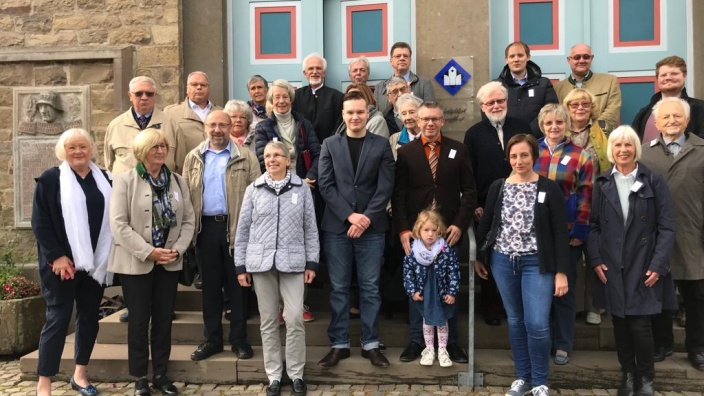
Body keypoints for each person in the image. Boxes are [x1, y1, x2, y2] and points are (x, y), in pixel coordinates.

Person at [475, 133, 569, 396]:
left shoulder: (548, 188)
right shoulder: (498, 187)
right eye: (514, 156)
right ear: (508, 158)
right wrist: (478, 258)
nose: (519, 160)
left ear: (534, 157)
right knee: (515, 321)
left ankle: (540, 381)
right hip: (503, 261)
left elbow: (560, 232)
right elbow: (486, 225)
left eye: (524, 155)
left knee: (537, 322)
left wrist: (561, 272)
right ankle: (523, 378)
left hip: (537, 264)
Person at [588, 126, 676, 396]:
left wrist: (658, 265)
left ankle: (646, 378)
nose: (623, 150)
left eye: (628, 145)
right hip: (613, 265)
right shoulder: (602, 183)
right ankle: (627, 374)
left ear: (636, 148)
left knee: (640, 324)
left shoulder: (654, 180)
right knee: (620, 324)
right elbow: (593, 227)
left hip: (644, 263)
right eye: (617, 145)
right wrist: (596, 259)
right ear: (610, 150)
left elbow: (667, 227)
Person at [108, 128, 195, 396]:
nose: (160, 151)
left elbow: (189, 220)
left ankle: (160, 374)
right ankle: (139, 378)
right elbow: (118, 225)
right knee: (138, 321)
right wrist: (149, 252)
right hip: (137, 263)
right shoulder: (125, 181)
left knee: (163, 320)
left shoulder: (178, 182)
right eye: (155, 147)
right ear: (142, 150)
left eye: (164, 147)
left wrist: (177, 250)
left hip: (169, 262)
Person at [393, 101, 476, 364]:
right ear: (417, 121)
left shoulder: (458, 149)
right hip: (418, 233)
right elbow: (399, 195)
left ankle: (451, 342)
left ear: (442, 121)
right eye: (425, 119)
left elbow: (470, 192)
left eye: (435, 119)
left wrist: (460, 224)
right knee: (417, 287)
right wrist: (404, 229)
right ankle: (418, 339)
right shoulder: (406, 152)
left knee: (449, 286)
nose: (429, 124)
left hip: (447, 232)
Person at [31, 128, 113, 396]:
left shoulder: (104, 179)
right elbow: (40, 223)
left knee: (89, 318)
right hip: (60, 265)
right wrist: (56, 255)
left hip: (94, 264)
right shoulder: (51, 180)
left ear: (91, 149)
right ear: (62, 151)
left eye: (83, 147)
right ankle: (44, 382)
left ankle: (80, 374)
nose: (78, 152)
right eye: (72, 147)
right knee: (58, 318)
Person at [317, 91, 395, 368]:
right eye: (350, 112)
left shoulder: (381, 145)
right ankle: (339, 344)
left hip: (372, 229)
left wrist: (366, 218)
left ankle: (371, 344)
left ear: (368, 113)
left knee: (371, 288)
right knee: (338, 288)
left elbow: (386, 186)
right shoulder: (330, 144)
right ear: (343, 115)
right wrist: (350, 216)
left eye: (360, 112)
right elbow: (325, 185)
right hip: (337, 228)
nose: (355, 117)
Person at [235, 141, 320, 396]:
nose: (271, 159)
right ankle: (273, 375)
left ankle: (296, 374)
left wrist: (312, 262)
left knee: (294, 318)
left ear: (287, 159)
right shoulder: (254, 189)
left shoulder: (301, 188)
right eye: (268, 155)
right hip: (260, 263)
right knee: (268, 321)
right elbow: (243, 230)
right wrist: (241, 266)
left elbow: (310, 227)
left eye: (277, 155)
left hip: (293, 261)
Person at [183, 110, 261, 362]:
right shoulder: (193, 157)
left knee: (238, 288)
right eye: (212, 125)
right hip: (205, 229)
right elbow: (186, 196)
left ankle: (239, 340)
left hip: (236, 228)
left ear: (231, 127)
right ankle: (212, 340)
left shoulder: (246, 157)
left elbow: (257, 196)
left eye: (222, 125)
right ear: (206, 127)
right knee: (211, 289)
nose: (217, 129)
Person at [639, 97, 704, 371]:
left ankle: (697, 347)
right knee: (659, 295)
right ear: (656, 123)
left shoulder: (701, 149)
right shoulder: (644, 153)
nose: (672, 121)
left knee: (697, 294)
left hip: (694, 233)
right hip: (655, 237)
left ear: (687, 120)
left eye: (677, 116)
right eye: (665, 117)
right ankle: (662, 343)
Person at [464, 81, 530, 326]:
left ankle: (514, 306)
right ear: (482, 106)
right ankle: (492, 308)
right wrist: (475, 205)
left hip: (522, 204)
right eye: (490, 102)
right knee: (490, 256)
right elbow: (468, 173)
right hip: (486, 207)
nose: (495, 105)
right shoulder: (473, 134)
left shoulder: (521, 127)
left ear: (506, 102)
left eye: (499, 101)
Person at [254, 79, 321, 323]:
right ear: (271, 102)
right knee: (276, 242)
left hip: (301, 189)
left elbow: (317, 153)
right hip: (274, 191)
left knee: (298, 242)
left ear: (291, 100)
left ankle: (298, 302)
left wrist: (309, 177)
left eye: (285, 97)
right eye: (277, 98)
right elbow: (263, 159)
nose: (281, 101)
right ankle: (280, 307)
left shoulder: (303, 123)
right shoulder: (263, 127)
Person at [534, 103, 594, 365]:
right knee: (540, 291)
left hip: (568, 232)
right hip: (535, 234)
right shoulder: (531, 150)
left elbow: (586, 195)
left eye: (559, 122)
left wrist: (580, 229)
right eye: (549, 123)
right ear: (541, 125)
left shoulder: (581, 156)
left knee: (564, 291)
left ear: (566, 124)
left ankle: (563, 344)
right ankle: (542, 340)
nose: (554, 127)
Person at [563, 88, 610, 326]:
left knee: (595, 254)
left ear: (592, 108)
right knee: (572, 257)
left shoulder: (602, 132)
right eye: (574, 105)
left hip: (597, 201)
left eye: (584, 104)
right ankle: (575, 305)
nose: (580, 108)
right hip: (569, 205)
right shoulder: (561, 132)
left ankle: (595, 306)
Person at [402, 209, 460, 368]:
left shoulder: (445, 249)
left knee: (442, 321)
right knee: (427, 321)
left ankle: (442, 350)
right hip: (424, 291)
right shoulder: (413, 250)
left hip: (440, 292)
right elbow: (408, 272)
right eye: (426, 230)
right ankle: (428, 349)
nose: (430, 234)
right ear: (418, 230)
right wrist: (412, 291)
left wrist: (452, 291)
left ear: (440, 231)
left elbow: (453, 270)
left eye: (434, 230)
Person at [104, 76, 179, 175]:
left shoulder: (170, 124)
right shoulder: (115, 126)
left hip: (162, 187)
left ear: (155, 95)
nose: (144, 97)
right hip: (128, 188)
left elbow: (180, 162)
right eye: (139, 94)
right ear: (130, 95)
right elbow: (109, 164)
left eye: (149, 94)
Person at [632, 56, 704, 141]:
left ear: (684, 76)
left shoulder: (701, 108)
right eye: (663, 75)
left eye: (674, 74)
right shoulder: (643, 113)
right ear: (657, 79)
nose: (668, 78)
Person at [554, 44, 622, 133]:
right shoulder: (557, 88)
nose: (581, 60)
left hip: (601, 137)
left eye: (586, 57)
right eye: (577, 57)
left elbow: (613, 110)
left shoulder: (609, 81)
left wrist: (593, 131)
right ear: (569, 60)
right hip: (569, 140)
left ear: (591, 58)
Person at [496, 41, 558, 137]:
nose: (516, 59)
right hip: (505, 141)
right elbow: (489, 114)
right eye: (512, 56)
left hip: (536, 140)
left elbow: (550, 111)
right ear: (506, 60)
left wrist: (528, 133)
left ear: (528, 57)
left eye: (520, 55)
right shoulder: (496, 86)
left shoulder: (544, 84)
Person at [164, 71, 221, 171]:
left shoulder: (221, 112)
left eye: (203, 85)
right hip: (187, 172)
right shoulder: (171, 113)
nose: (199, 87)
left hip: (217, 170)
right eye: (194, 84)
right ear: (187, 89)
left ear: (208, 88)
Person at [291, 53, 344, 143]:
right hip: (302, 150)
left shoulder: (337, 97)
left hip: (329, 148)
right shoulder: (295, 96)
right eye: (311, 68)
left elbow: (338, 127)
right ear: (305, 73)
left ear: (324, 73)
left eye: (318, 68)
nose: (315, 72)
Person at [374, 42, 435, 116]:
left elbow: (431, 112)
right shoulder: (380, 88)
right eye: (398, 56)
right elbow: (377, 115)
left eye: (405, 56)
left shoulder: (424, 83)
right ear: (391, 61)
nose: (402, 58)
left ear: (410, 61)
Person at [389, 93, 424, 159]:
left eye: (412, 112)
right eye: (404, 114)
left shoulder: (430, 136)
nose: (407, 117)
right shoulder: (393, 140)